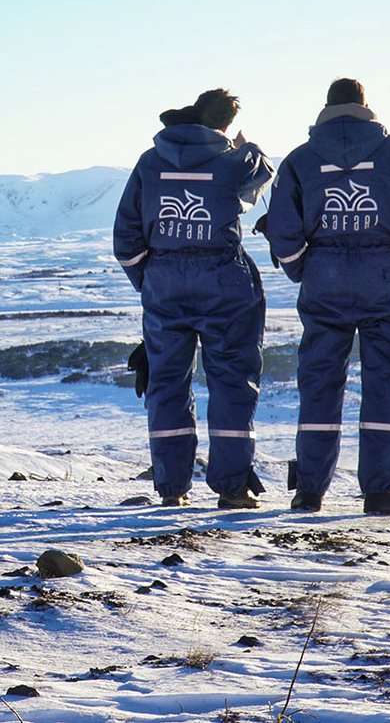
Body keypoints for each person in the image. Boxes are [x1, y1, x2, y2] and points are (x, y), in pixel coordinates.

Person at [264, 78, 390, 515]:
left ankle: (309, 490)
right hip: (387, 283)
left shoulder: (301, 160)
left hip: (323, 283)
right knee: (384, 382)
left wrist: (303, 268)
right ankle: (381, 490)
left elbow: (283, 229)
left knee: (319, 382)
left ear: (326, 107)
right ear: (366, 107)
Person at [113, 88, 274, 509]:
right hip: (224, 282)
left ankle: (172, 488)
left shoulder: (150, 163)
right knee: (232, 382)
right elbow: (263, 172)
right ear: (224, 125)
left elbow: (126, 239)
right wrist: (246, 146)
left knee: (166, 384)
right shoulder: (232, 160)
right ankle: (233, 487)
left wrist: (149, 281)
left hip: (164, 283)